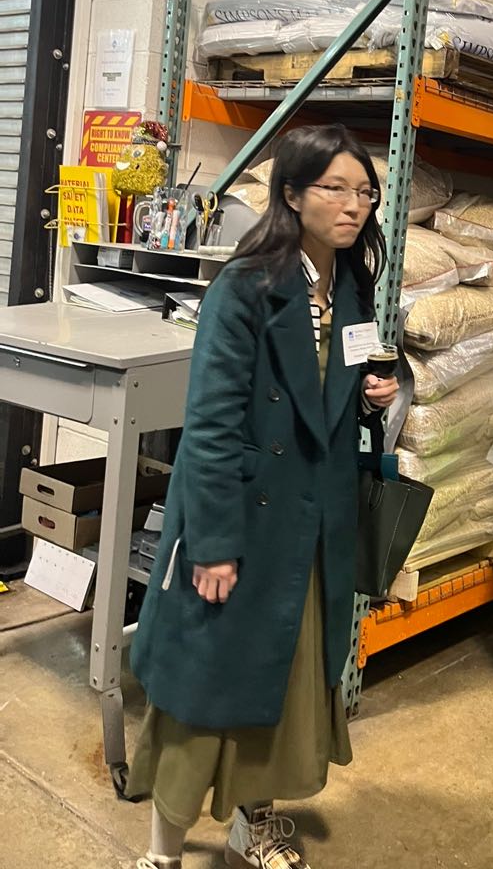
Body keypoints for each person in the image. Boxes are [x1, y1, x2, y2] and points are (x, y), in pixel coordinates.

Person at [128, 124, 399, 869]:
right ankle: (162, 853)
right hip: (244, 522)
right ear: (292, 194)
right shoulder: (244, 287)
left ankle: (255, 824)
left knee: (283, 682)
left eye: (364, 192)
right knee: (205, 688)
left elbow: (338, 390)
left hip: (312, 526)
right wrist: (213, 545)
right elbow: (210, 425)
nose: (354, 206)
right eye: (335, 189)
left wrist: (372, 395)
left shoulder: (353, 288)